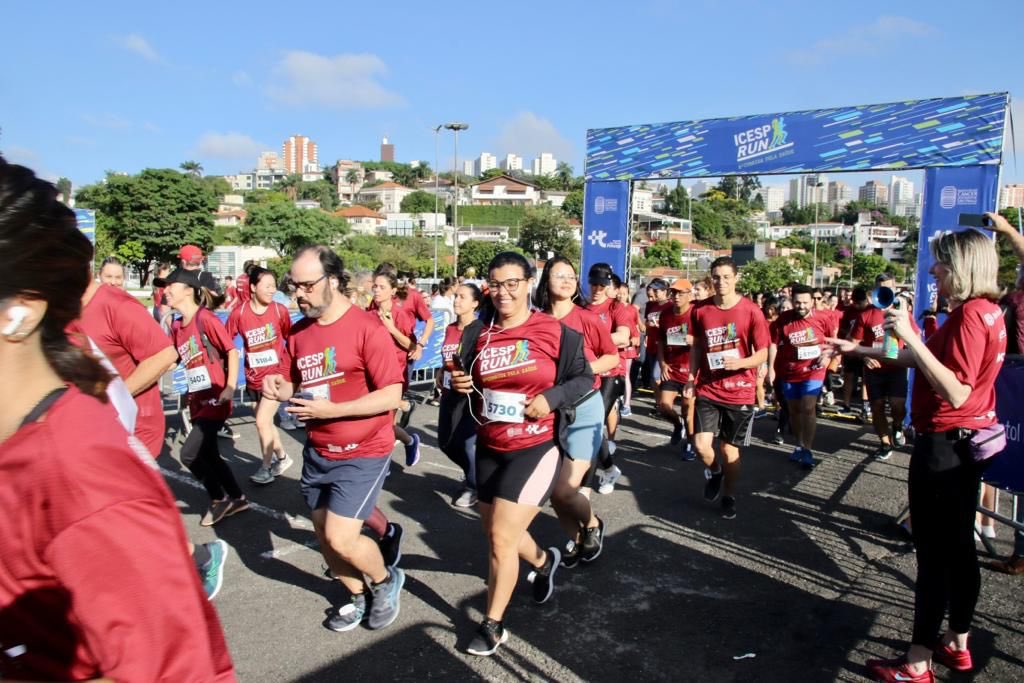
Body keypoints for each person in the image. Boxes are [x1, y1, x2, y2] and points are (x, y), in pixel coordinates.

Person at [0, 159, 235, 680]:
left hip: (138, 431)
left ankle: (198, 547)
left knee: (198, 456)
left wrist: (226, 382)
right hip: (106, 425)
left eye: (178, 284)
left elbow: (168, 355)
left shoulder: (85, 487)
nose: (171, 290)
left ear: (20, 310)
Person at [827, 227, 1006, 682]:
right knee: (960, 552)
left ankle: (917, 662)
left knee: (934, 558)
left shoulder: (968, 316)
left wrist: (911, 334)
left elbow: (956, 389)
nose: (933, 271)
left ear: (962, 266)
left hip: (945, 447)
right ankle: (957, 644)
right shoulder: (986, 311)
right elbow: (931, 363)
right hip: (964, 445)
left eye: (941, 263)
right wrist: (862, 348)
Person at [450, 251, 592, 656]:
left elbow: (585, 377)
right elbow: (468, 380)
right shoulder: (477, 332)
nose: (503, 292)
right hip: (491, 445)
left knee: (499, 538)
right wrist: (459, 383)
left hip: (535, 446)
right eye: (495, 284)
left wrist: (552, 397)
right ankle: (545, 562)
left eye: (512, 283)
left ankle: (493, 625)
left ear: (530, 283)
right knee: (498, 533)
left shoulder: (555, 332)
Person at [262, 245, 406, 633]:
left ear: (332, 280)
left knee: (341, 539)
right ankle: (357, 595)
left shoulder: (367, 327)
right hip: (319, 450)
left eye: (307, 286)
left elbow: (392, 395)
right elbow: (294, 378)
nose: (299, 294)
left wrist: (334, 412)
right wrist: (280, 386)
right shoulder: (298, 330)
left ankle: (386, 581)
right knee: (324, 537)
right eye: (294, 287)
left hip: (364, 451)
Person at [535, 256, 616, 567]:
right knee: (555, 492)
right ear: (546, 281)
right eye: (559, 276)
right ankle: (577, 538)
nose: (567, 281)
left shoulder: (587, 319)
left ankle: (593, 525)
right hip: (551, 411)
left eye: (571, 276)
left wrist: (580, 372)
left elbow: (610, 358)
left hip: (584, 407)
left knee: (566, 489)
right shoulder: (536, 321)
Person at [158, 267, 249, 526]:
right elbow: (178, 360)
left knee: (189, 455)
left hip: (216, 398)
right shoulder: (177, 325)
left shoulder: (205, 318)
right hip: (198, 400)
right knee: (209, 455)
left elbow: (231, 351)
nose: (165, 291)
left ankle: (218, 499)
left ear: (188, 290)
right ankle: (238, 498)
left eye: (170, 286)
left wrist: (230, 387)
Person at [684, 257, 770, 520]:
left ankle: (729, 495)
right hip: (709, 387)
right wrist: (691, 377)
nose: (721, 282)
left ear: (736, 278)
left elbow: (763, 353)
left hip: (740, 390)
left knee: (729, 450)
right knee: (700, 445)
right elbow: (698, 346)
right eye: (716, 277)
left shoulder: (751, 311)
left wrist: (741, 363)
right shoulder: (700, 310)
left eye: (726, 277)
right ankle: (715, 472)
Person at [229, 266, 296, 484]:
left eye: (274, 286)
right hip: (253, 378)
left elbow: (292, 340)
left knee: (260, 422)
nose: (272, 290)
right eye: (267, 286)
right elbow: (225, 339)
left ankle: (266, 468)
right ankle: (283, 458)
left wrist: (289, 370)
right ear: (253, 287)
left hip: (275, 377)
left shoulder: (279, 311)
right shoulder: (239, 313)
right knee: (265, 424)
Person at [850, 273, 919, 460]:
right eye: (881, 287)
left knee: (897, 406)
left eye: (888, 287)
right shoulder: (866, 315)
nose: (885, 290)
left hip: (897, 368)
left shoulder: (903, 313)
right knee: (877, 407)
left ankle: (897, 425)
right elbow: (853, 343)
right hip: (874, 370)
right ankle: (885, 443)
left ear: (895, 288)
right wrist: (864, 357)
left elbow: (916, 338)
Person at [768, 284, 836, 468]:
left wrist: (828, 356)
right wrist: (770, 368)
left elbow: (833, 341)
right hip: (791, 371)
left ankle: (808, 449)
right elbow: (773, 344)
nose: (801, 306)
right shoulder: (784, 320)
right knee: (794, 410)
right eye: (797, 302)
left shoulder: (823, 318)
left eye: (805, 302)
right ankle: (799, 445)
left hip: (814, 370)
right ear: (792, 300)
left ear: (813, 301)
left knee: (808, 407)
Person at [586, 263, 632, 495]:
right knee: (586, 427)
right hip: (585, 374)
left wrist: (592, 340)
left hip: (610, 374)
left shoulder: (616, 307)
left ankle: (585, 484)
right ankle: (609, 468)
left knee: (594, 424)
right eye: (594, 283)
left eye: (602, 285)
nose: (597, 289)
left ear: (609, 286)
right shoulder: (581, 307)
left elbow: (623, 337)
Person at [437, 283, 484, 507]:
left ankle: (474, 486)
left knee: (465, 444)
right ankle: (474, 474)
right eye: (455, 296)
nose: (456, 301)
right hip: (448, 394)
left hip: (468, 397)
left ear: (475, 303)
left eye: (462, 297)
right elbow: (446, 357)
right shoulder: (450, 328)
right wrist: (440, 372)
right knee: (445, 443)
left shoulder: (480, 329)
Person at [371, 263, 422, 468]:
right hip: (374, 371)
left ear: (392, 291)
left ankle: (383, 463)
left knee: (385, 422)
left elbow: (411, 345)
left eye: (381, 287)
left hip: (395, 373)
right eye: (374, 286)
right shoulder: (370, 310)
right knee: (376, 421)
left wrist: (390, 328)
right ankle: (409, 441)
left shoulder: (400, 314)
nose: (376, 290)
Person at [656, 278, 696, 460]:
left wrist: (690, 340)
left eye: (681, 293)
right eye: (674, 293)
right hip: (671, 368)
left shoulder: (696, 314)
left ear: (690, 294)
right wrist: (663, 363)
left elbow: (706, 342)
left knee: (688, 411)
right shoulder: (665, 314)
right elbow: (661, 342)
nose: (676, 296)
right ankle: (677, 425)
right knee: (663, 406)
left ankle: (690, 444)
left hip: (690, 371)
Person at [839, 286, 870, 417]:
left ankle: (865, 406)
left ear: (866, 300)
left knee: (865, 378)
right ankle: (846, 404)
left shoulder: (871, 311)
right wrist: (850, 336)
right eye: (855, 303)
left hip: (867, 349)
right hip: (852, 349)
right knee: (849, 376)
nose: (857, 306)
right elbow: (842, 329)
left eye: (859, 303)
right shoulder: (849, 311)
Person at [616, 280, 641, 417]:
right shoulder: (613, 307)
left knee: (625, 375)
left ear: (628, 294)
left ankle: (626, 404)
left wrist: (635, 341)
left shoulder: (632, 309)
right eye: (619, 293)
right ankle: (616, 399)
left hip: (628, 347)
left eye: (624, 294)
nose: (621, 296)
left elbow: (637, 327)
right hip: (616, 347)